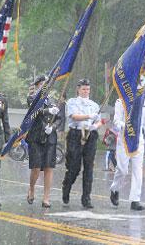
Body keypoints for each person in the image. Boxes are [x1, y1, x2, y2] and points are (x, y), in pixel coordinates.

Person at [62, 78, 102, 209]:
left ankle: (86, 198)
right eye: (84, 89)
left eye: (88, 89)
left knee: (89, 168)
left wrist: (96, 125)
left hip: (90, 135)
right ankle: (66, 186)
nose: (86, 91)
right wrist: (89, 117)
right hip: (76, 134)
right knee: (74, 167)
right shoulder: (72, 102)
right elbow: (73, 116)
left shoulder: (94, 105)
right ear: (78, 89)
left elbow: (99, 121)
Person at [109, 98, 145, 211]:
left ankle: (135, 200)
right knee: (122, 169)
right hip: (124, 139)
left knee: (137, 170)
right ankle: (115, 189)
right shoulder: (120, 100)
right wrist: (126, 125)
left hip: (138, 140)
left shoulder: (144, 101)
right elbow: (116, 121)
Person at [26, 75, 61, 208]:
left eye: (46, 85)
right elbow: (33, 112)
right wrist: (47, 110)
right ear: (37, 86)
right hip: (35, 137)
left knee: (48, 168)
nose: (44, 87)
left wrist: (52, 127)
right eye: (41, 84)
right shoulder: (31, 98)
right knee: (35, 167)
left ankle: (46, 198)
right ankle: (32, 188)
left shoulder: (52, 101)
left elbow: (59, 118)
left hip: (49, 137)